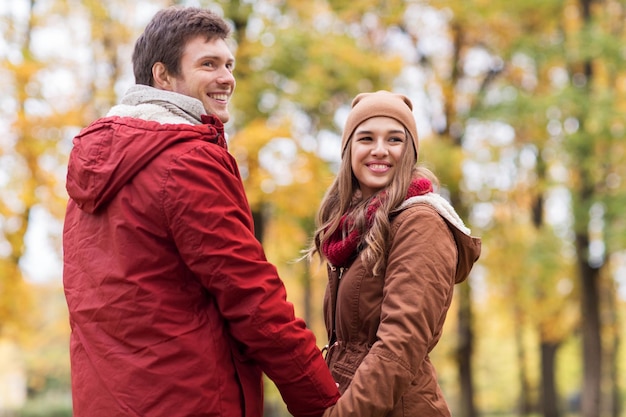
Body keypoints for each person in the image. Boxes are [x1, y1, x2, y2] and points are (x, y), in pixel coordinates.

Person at [63, 6, 339, 417]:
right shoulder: (185, 162)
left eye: (228, 64)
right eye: (208, 64)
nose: (226, 77)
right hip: (190, 401)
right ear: (163, 76)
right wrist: (324, 403)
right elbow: (253, 298)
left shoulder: (93, 174)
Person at [307, 90, 482, 416]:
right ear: (349, 150)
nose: (379, 150)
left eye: (394, 140)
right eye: (366, 138)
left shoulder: (420, 222)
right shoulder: (353, 229)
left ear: (410, 151)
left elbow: (400, 345)